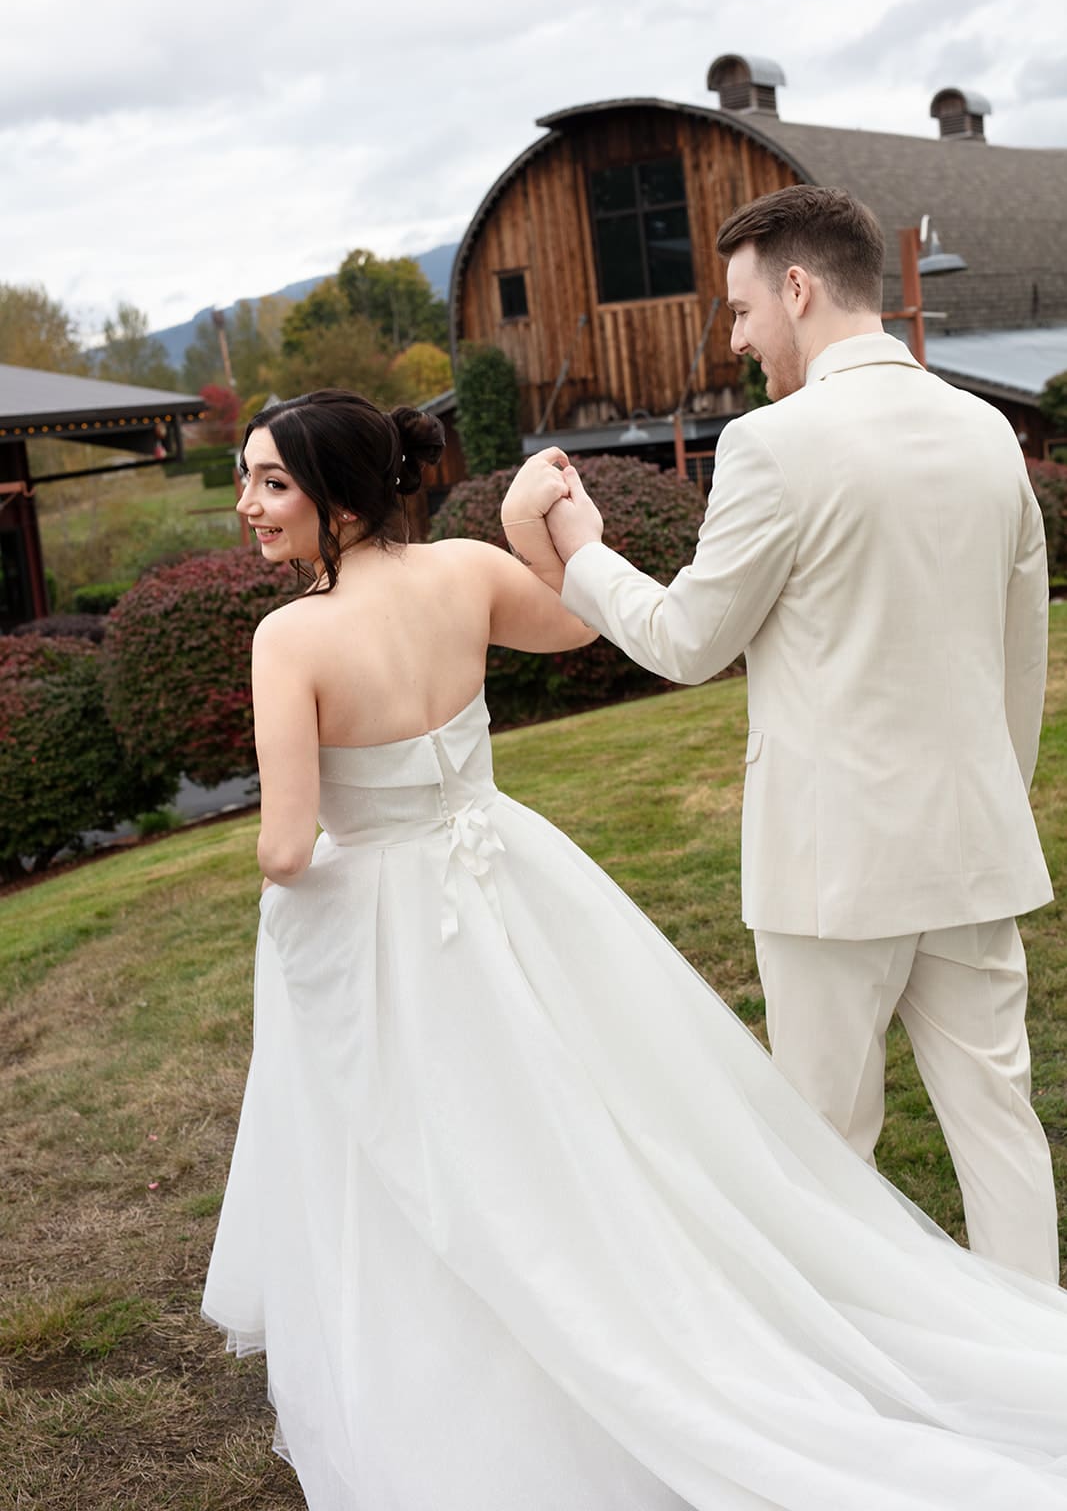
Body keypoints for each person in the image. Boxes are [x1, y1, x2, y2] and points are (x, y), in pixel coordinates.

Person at [204, 388, 1067, 1511]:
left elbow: (282, 846)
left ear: (343, 500)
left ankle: (479, 1362)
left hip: (385, 913)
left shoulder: (290, 635)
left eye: (272, 481)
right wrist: (538, 533)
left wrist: (309, 851)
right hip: (511, 877)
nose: (248, 505)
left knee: (429, 1138)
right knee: (568, 1113)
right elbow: (578, 621)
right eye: (245, 477)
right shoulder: (464, 570)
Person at [533, 184, 1059, 1288]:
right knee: (998, 1132)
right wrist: (987, 801)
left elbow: (685, 638)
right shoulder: (985, 435)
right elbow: (1020, 665)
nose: (734, 339)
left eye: (736, 309)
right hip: (972, 843)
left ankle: (857, 1391)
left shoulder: (769, 445)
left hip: (829, 869)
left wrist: (580, 550)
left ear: (797, 287)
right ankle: (1035, 1380)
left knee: (825, 1148)